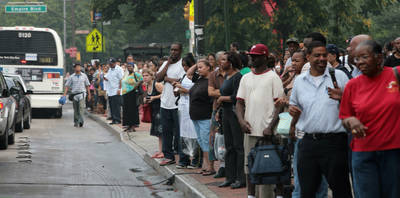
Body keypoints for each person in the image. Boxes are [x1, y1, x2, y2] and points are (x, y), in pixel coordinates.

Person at [289, 41, 352, 198]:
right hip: (308, 143)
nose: (322, 58)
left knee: (341, 190)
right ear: (308, 57)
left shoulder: (339, 76)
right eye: (317, 55)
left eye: (324, 55)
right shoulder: (300, 81)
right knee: (307, 191)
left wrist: (342, 97)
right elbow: (294, 107)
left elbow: (356, 104)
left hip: (335, 143)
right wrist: (293, 114)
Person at [340, 40, 400, 198]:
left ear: (379, 58)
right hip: (363, 154)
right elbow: (345, 117)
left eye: (364, 57)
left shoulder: (396, 74)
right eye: (357, 59)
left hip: (394, 152)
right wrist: (351, 121)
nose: (359, 62)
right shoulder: (352, 85)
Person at [236, 44, 284, 198]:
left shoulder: (273, 77)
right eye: (251, 55)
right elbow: (239, 103)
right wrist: (241, 121)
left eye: (256, 56)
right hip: (250, 130)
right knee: (250, 166)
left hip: (269, 132)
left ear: (264, 57)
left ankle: (276, 195)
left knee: (274, 166)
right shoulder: (245, 78)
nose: (252, 58)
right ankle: (251, 195)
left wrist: (270, 126)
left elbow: (279, 106)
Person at [217, 52, 245, 189]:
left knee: (238, 146)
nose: (221, 62)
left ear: (231, 62)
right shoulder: (227, 76)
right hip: (226, 113)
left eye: (224, 60)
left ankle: (241, 178)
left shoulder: (238, 77)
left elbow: (237, 97)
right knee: (229, 146)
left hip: (235, 113)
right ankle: (230, 176)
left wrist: (223, 98)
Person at [156, 43, 187, 166]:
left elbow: (181, 81)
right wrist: (167, 63)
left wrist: (167, 79)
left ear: (180, 51)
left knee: (179, 132)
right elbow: (158, 78)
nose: (173, 52)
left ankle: (182, 158)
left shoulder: (182, 65)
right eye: (171, 49)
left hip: (177, 104)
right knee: (166, 131)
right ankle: (168, 156)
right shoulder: (166, 64)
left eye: (176, 50)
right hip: (165, 103)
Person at [173, 53, 202, 169]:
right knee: (183, 134)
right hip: (183, 107)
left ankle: (195, 159)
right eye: (183, 66)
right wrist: (176, 89)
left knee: (194, 134)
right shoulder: (184, 76)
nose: (184, 68)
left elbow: (195, 91)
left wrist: (182, 89)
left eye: (186, 65)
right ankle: (184, 158)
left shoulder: (196, 77)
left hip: (192, 106)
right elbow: (178, 91)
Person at [187, 60, 215, 176]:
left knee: (206, 141)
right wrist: (197, 63)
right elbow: (189, 73)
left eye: (201, 67)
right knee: (201, 141)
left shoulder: (211, 81)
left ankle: (210, 166)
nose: (198, 69)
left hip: (205, 116)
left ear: (208, 67)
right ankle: (205, 164)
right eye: (198, 68)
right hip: (195, 116)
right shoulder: (199, 79)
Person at [208, 51, 226, 179]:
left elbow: (236, 92)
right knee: (214, 139)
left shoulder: (234, 74)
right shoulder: (214, 75)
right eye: (221, 60)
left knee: (228, 140)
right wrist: (226, 93)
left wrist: (219, 93)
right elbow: (210, 92)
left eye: (225, 59)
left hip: (232, 110)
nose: (223, 62)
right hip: (217, 110)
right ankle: (214, 166)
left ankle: (226, 166)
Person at [143, 69, 164, 158]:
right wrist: (146, 99)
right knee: (158, 132)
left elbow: (166, 93)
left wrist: (154, 97)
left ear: (151, 76)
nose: (145, 77)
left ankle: (163, 151)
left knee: (161, 131)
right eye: (143, 76)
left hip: (161, 110)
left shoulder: (157, 84)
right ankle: (160, 150)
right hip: (154, 110)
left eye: (146, 75)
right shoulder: (147, 86)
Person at [121, 63, 142, 132]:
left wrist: (137, 84)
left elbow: (142, 79)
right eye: (128, 66)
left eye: (130, 66)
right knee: (126, 110)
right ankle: (128, 125)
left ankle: (133, 126)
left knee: (132, 110)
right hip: (125, 94)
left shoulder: (136, 74)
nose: (129, 67)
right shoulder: (126, 75)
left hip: (132, 93)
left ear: (133, 67)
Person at [104, 58, 124, 125]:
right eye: (109, 63)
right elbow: (108, 78)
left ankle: (117, 119)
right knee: (112, 106)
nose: (110, 64)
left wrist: (119, 89)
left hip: (116, 89)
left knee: (116, 106)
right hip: (110, 90)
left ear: (115, 63)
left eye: (111, 63)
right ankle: (113, 119)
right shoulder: (110, 69)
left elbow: (121, 79)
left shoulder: (119, 69)